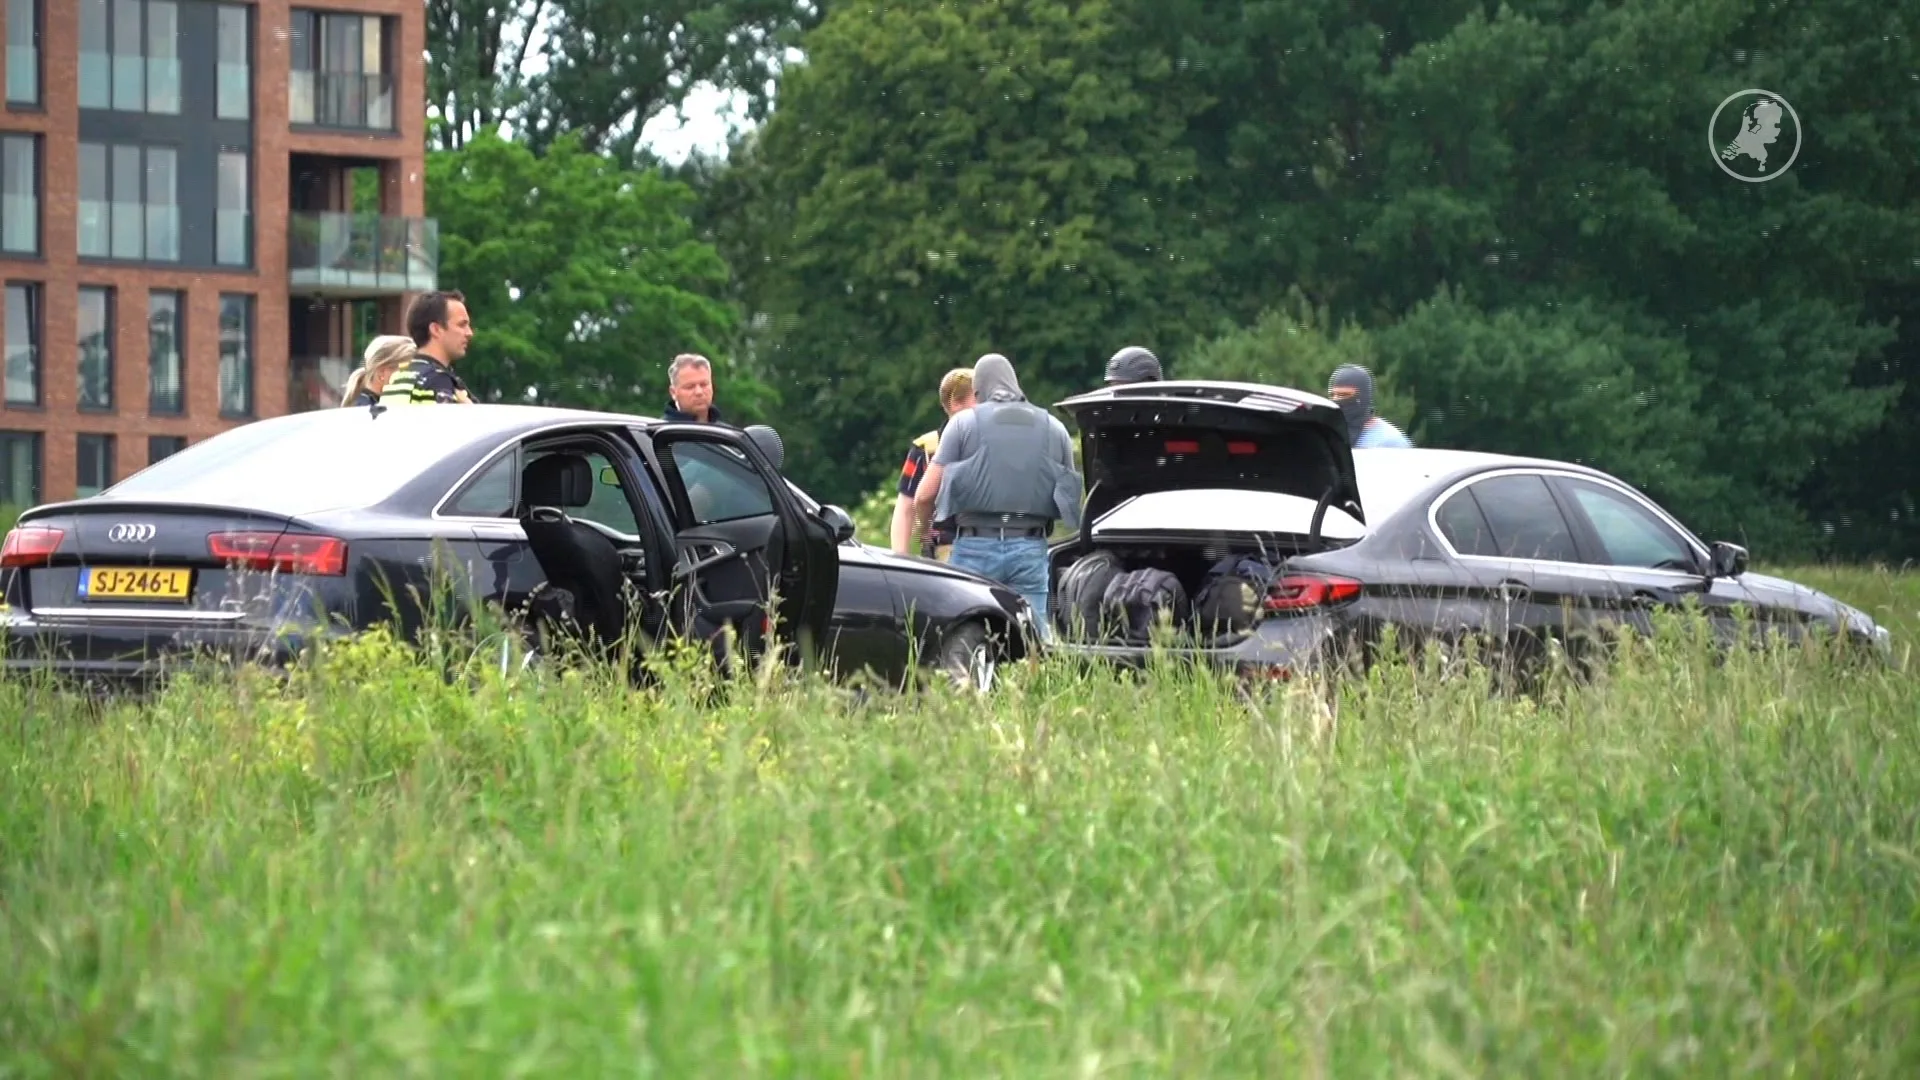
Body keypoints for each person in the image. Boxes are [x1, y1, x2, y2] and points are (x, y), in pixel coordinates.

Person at [913, 353, 1082, 637]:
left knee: (964, 630)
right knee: (1034, 637)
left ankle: (971, 678)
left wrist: (925, 531)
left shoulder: (962, 424)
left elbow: (924, 496)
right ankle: (1033, 680)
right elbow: (1069, 501)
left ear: (979, 390)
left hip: (974, 546)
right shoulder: (1056, 428)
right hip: (1029, 547)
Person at [891, 367, 976, 559]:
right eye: (978, 399)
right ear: (955, 403)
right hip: (945, 550)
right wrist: (900, 558)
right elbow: (905, 508)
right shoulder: (927, 448)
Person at [379, 290, 475, 406]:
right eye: (461, 325)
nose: (469, 333)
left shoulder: (399, 376)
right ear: (436, 329)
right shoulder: (437, 381)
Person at [1327, 363, 1412, 448]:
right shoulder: (1330, 435)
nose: (1336, 400)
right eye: (1333, 395)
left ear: (1363, 397)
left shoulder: (1390, 441)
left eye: (1344, 395)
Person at [340, 334, 416, 407]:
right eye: (409, 371)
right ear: (382, 374)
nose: (417, 377)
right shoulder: (367, 413)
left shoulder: (366, 406)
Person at [663, 353, 726, 424]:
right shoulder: (660, 433)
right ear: (673, 392)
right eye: (690, 387)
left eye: (704, 385)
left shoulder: (727, 433)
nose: (699, 392)